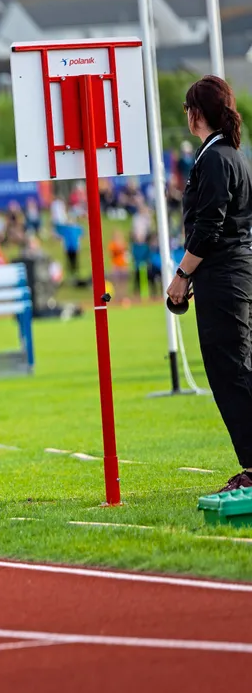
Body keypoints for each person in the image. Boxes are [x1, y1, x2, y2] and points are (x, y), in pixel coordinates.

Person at [167, 75, 252, 494]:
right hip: (230, 274)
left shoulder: (216, 157)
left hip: (224, 274)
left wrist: (182, 275)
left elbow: (210, 226)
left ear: (196, 112)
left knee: (231, 370)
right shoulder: (229, 153)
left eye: (186, 108)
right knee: (235, 367)